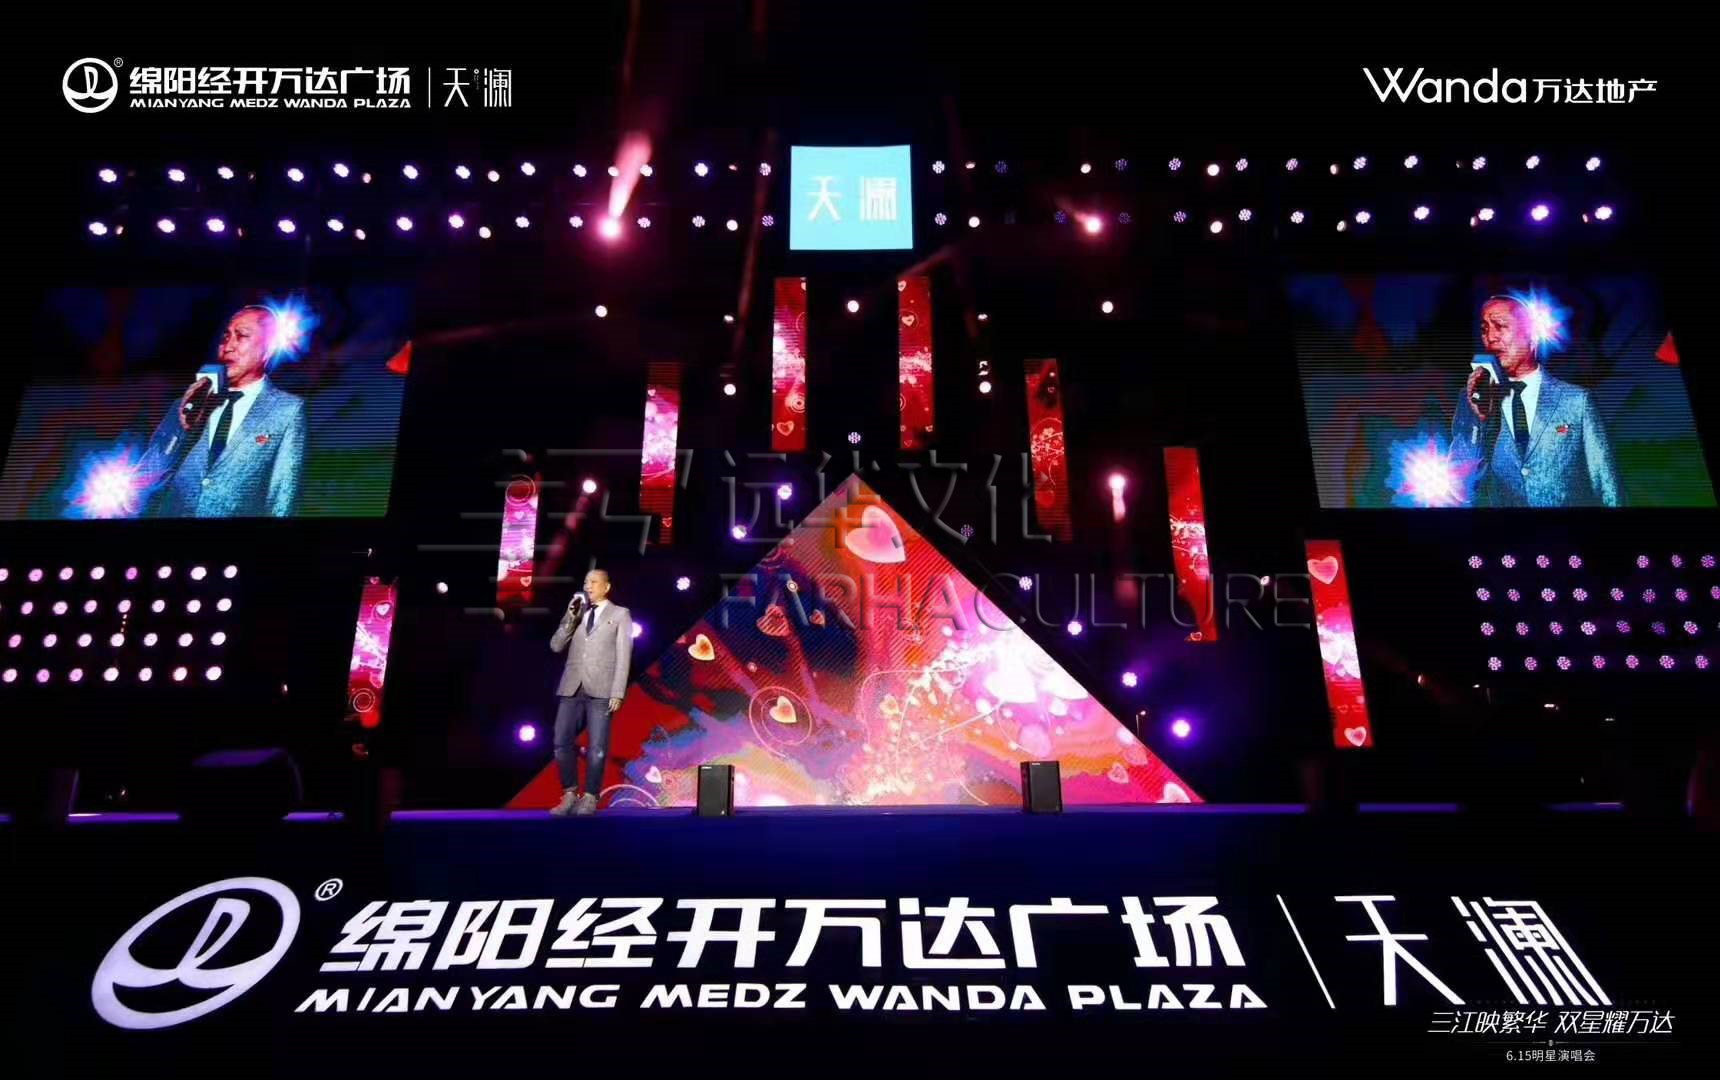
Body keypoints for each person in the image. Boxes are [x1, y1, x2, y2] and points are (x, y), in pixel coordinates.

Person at [1451, 295, 1620, 508]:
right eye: (1484, 329)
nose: (1490, 337)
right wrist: (1481, 422)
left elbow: (1607, 486)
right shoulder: (1471, 400)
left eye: (1500, 326)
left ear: (1531, 336)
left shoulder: (1577, 402)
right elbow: (1460, 489)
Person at [139, 306, 306, 517]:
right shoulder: (189, 403)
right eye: (225, 337)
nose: (228, 346)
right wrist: (183, 430)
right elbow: (146, 479)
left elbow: (283, 497)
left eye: (241, 336)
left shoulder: (287, 410)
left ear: (268, 348)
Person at [548, 569, 633, 816]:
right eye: (586, 582)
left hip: (602, 688)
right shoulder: (578, 613)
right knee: (561, 741)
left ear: (606, 587)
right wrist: (570, 617)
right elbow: (556, 645)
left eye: (594, 582)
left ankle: (591, 796)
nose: (588, 586)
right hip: (572, 686)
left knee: (597, 747)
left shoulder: (620, 614)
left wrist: (618, 691)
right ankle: (569, 793)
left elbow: (624, 655)